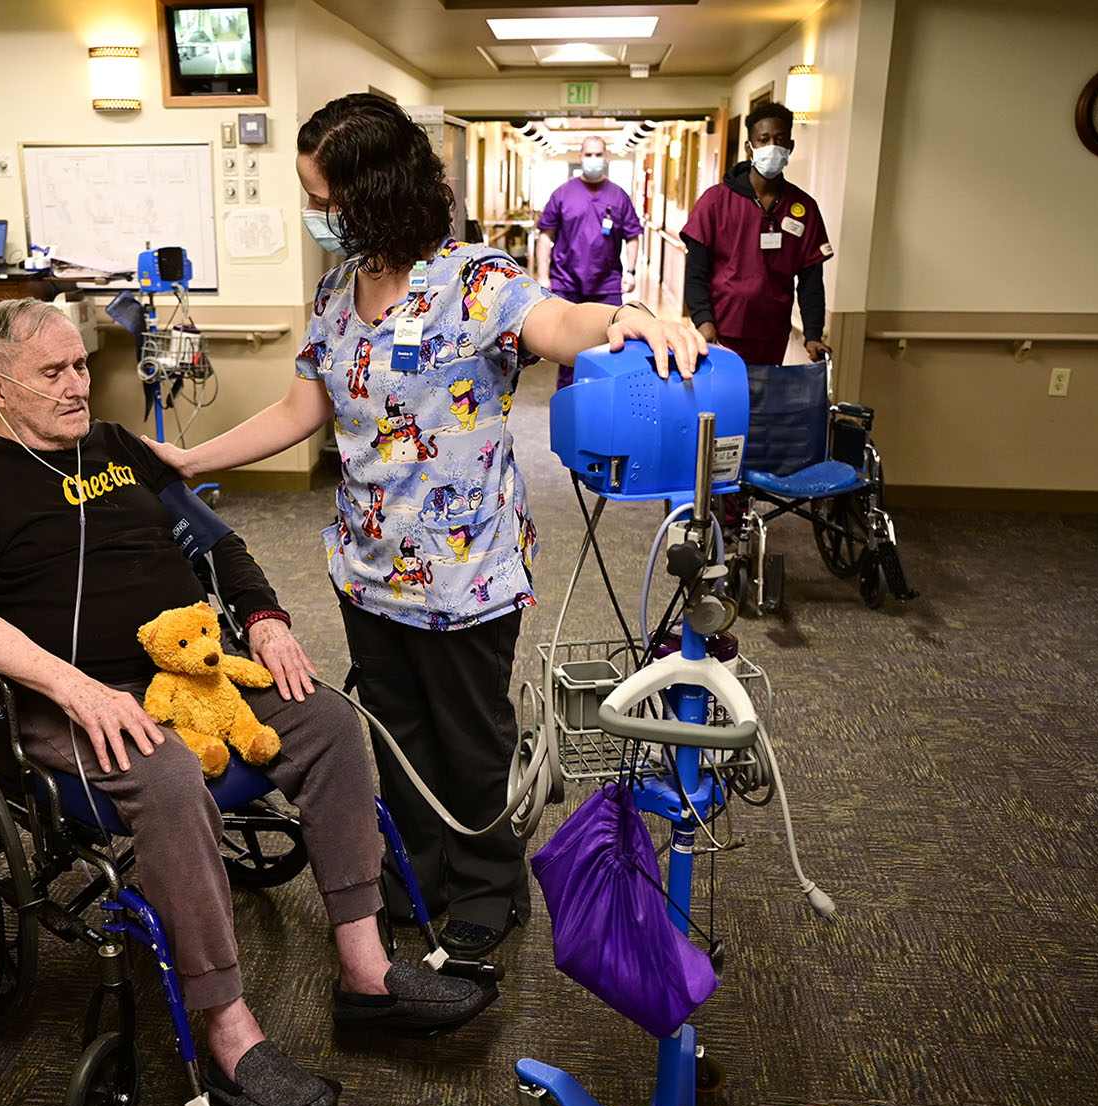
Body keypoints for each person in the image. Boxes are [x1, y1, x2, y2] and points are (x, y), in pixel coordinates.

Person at [0, 298, 493, 1106]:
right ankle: (228, 1026)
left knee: (328, 720)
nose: (79, 385)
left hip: (199, 668)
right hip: (73, 698)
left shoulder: (116, 447)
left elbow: (217, 542)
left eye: (80, 365)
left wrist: (263, 618)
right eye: (54, 373)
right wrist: (75, 689)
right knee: (170, 772)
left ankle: (366, 971)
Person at [145, 93, 706, 961]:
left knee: (470, 743)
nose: (315, 218)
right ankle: (426, 872)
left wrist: (623, 319)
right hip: (365, 568)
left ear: (374, 194)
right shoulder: (337, 292)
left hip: (466, 574)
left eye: (324, 201)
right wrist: (192, 458)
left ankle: (489, 887)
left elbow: (556, 322)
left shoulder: (474, 279)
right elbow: (303, 407)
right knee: (397, 741)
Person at [681, 101, 833, 366]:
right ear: (749, 147)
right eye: (764, 140)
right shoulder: (715, 202)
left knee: (764, 405)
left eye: (779, 139)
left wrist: (812, 334)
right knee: (725, 405)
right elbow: (695, 273)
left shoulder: (803, 208)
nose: (772, 146)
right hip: (721, 332)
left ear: (790, 147)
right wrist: (703, 321)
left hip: (772, 334)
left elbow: (811, 282)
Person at [535, 134, 645, 389]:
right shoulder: (563, 193)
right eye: (589, 154)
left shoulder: (618, 196)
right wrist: (543, 275)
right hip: (567, 283)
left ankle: (604, 401)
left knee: (612, 347)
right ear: (580, 157)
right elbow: (545, 235)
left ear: (606, 157)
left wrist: (630, 270)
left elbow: (633, 235)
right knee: (568, 352)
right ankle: (569, 401)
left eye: (598, 155)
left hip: (606, 285)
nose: (593, 159)